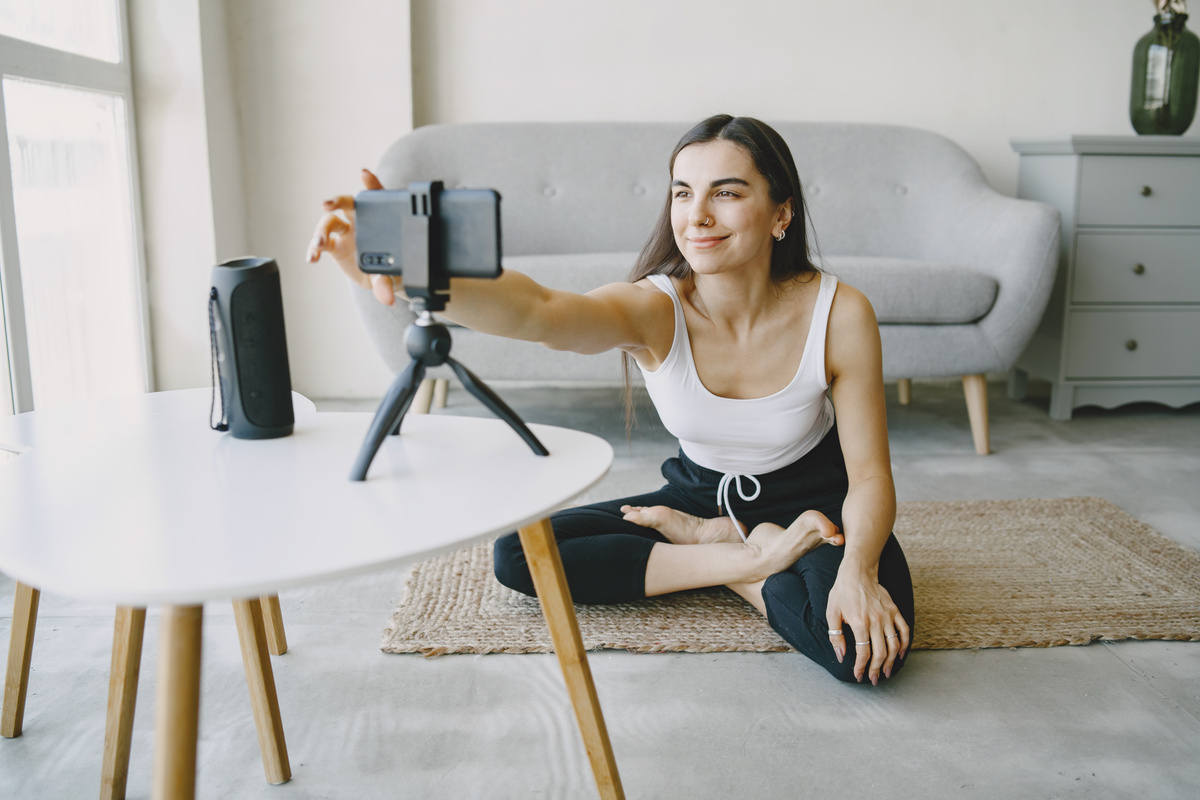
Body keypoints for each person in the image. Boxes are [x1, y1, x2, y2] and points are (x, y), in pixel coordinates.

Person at [307, 114, 915, 685]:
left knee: (860, 652)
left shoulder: (840, 312)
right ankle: (734, 555)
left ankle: (720, 546)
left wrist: (859, 570)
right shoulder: (656, 307)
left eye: (726, 193)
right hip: (697, 494)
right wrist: (421, 271)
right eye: (682, 192)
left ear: (781, 213)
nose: (697, 215)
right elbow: (540, 311)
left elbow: (866, 475)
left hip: (817, 508)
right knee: (521, 555)